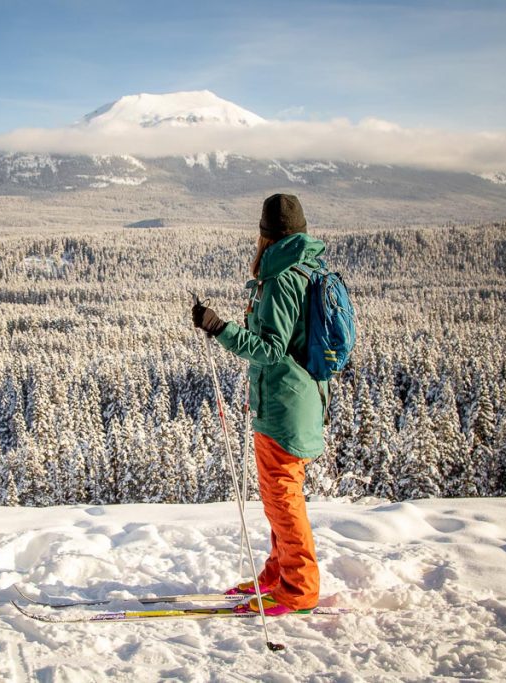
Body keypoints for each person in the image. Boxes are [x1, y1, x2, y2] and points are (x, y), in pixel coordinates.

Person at [191, 193, 325, 616]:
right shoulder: (304, 267)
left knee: (282, 498)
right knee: (277, 498)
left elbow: (270, 349)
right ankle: (277, 573)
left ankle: (298, 588)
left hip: (284, 406)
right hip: (295, 401)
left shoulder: (282, 278)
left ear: (266, 235)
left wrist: (221, 328)